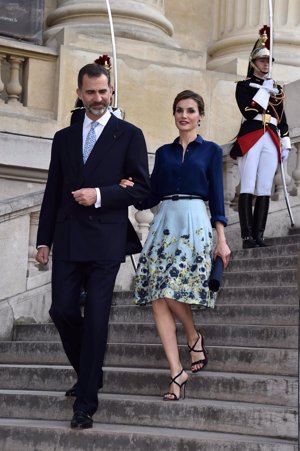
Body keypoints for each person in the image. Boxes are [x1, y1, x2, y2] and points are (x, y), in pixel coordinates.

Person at [35, 62, 150, 429]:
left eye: (103, 91)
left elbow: (143, 190)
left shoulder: (129, 134)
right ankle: (90, 371)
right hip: (68, 238)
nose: (97, 98)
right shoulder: (63, 137)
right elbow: (53, 191)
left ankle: (85, 402)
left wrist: (100, 194)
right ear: (80, 93)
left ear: (111, 91)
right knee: (62, 311)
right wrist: (43, 240)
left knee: (98, 318)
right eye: (90, 92)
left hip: (105, 240)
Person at [122, 90, 231, 401]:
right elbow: (151, 196)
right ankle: (176, 372)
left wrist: (220, 239)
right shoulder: (164, 152)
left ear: (200, 116)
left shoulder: (210, 151)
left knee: (169, 290)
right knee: (159, 296)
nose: (185, 115)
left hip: (195, 222)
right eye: (180, 110)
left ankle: (194, 335)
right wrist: (130, 189)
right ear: (174, 115)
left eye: (191, 110)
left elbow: (218, 199)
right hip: (164, 225)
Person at [230, 26, 291, 249]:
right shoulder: (244, 87)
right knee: (248, 184)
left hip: (271, 136)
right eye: (262, 60)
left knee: (265, 186)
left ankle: (259, 234)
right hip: (252, 135)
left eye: (268, 61)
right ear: (254, 62)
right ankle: (246, 237)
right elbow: (248, 111)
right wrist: (263, 91)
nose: (266, 64)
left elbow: (282, 118)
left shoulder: (277, 89)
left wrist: (285, 141)